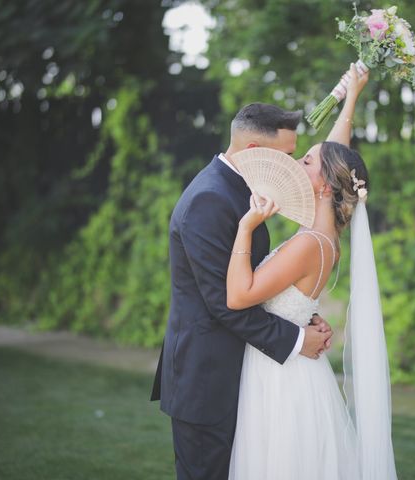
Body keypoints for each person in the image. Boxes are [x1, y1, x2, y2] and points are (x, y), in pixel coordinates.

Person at [226, 64, 398, 479]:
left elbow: (237, 296)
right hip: (296, 367)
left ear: (323, 186)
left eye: (303, 161)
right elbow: (335, 157)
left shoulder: (307, 244)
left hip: (280, 376)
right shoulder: (326, 236)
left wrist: (245, 228)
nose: (295, 165)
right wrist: (351, 95)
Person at [150, 101, 335, 479]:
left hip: (241, 372)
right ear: (254, 151)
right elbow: (225, 303)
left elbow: (256, 284)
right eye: (286, 155)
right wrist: (298, 340)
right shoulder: (210, 199)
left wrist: (300, 311)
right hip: (207, 378)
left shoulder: (243, 188)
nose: (291, 165)